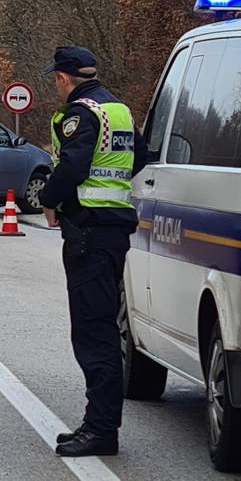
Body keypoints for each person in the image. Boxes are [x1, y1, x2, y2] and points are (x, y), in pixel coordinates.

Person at [37, 45, 144, 458]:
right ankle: (96, 424)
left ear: (64, 78)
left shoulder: (79, 113)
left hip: (89, 231)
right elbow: (140, 156)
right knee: (102, 327)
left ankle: (100, 430)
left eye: (57, 79)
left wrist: (49, 197)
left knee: (94, 331)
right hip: (113, 226)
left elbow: (74, 165)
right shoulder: (118, 109)